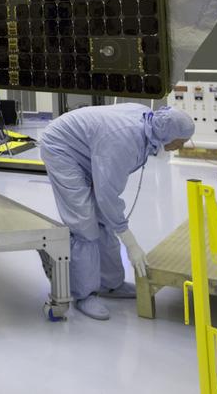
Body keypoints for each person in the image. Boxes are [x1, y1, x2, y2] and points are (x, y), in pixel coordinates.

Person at [40, 104, 196, 320]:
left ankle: (111, 284)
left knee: (104, 218)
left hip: (90, 149)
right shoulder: (124, 140)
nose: (184, 144)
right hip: (62, 149)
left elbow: (108, 195)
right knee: (84, 223)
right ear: (168, 134)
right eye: (182, 139)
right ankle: (84, 294)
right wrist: (130, 243)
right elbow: (107, 196)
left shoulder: (149, 126)